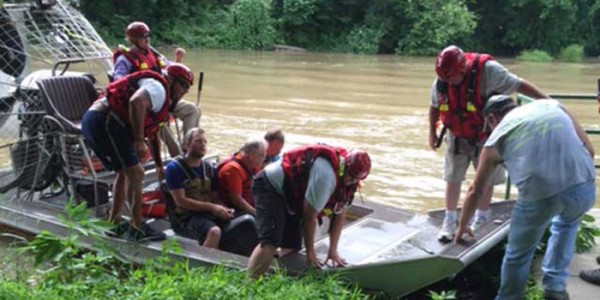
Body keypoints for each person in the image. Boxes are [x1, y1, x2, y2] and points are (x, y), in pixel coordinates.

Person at [453, 95, 596, 300]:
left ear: (492, 118)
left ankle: (509, 297)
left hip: (540, 196)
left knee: (518, 254)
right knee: (566, 227)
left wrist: (462, 225)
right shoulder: (552, 105)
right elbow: (589, 150)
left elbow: (476, 189)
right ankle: (555, 288)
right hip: (583, 185)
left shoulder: (496, 138)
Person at [429, 45, 548, 241]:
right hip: (457, 134)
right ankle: (449, 219)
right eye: (445, 78)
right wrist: (432, 133)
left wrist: (547, 102)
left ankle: (482, 216)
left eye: (451, 77)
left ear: (463, 69)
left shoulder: (489, 72)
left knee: (486, 179)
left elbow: (518, 85)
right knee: (452, 177)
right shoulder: (442, 80)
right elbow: (434, 106)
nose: (448, 81)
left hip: (485, 134)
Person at [81, 63, 194, 241]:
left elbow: (154, 131)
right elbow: (136, 102)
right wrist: (140, 140)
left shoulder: (161, 97)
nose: (185, 91)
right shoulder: (158, 89)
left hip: (98, 119)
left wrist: (158, 165)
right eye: (183, 85)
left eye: (188, 87)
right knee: (136, 173)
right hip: (104, 120)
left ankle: (114, 222)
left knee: (124, 172)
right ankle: (137, 226)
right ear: (171, 80)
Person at [247, 145, 371, 278]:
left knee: (292, 245)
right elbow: (309, 216)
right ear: (344, 167)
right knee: (270, 241)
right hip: (269, 186)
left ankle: (277, 276)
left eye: (355, 179)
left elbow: (340, 214)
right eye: (350, 176)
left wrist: (333, 250)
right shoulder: (325, 177)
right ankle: (251, 284)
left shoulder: (351, 183)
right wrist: (310, 253)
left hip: (291, 194)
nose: (350, 182)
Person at [113, 21, 200, 157]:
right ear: (133, 39)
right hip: (147, 107)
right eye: (143, 36)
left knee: (192, 110)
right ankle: (176, 155)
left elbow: (174, 72)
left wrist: (178, 59)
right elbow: (118, 82)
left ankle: (188, 146)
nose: (147, 38)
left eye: (148, 35)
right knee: (160, 119)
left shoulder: (154, 55)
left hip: (165, 99)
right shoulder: (125, 59)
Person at [165, 128, 234, 249]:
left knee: (239, 221)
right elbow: (180, 201)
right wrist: (212, 207)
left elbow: (214, 197)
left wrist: (224, 208)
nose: (203, 145)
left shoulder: (208, 168)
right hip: (185, 217)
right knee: (214, 232)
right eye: (198, 141)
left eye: (204, 142)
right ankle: (204, 265)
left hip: (206, 212)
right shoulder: (174, 168)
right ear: (186, 145)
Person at [216, 138, 267, 215]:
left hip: (252, 204)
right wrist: (256, 213)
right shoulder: (233, 169)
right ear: (251, 155)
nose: (264, 159)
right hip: (234, 210)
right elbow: (237, 200)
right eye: (262, 156)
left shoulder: (252, 165)